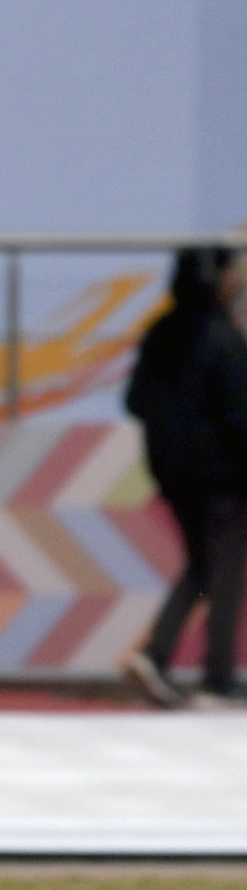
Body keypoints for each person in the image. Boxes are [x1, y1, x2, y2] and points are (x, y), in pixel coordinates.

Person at [124, 244, 247, 707]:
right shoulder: (223, 338)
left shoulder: (161, 332)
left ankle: (156, 654)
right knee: (226, 573)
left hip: (174, 478)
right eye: (233, 273)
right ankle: (218, 677)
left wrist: (174, 428)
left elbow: (135, 400)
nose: (237, 281)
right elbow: (240, 417)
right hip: (224, 480)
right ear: (217, 278)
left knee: (202, 565)